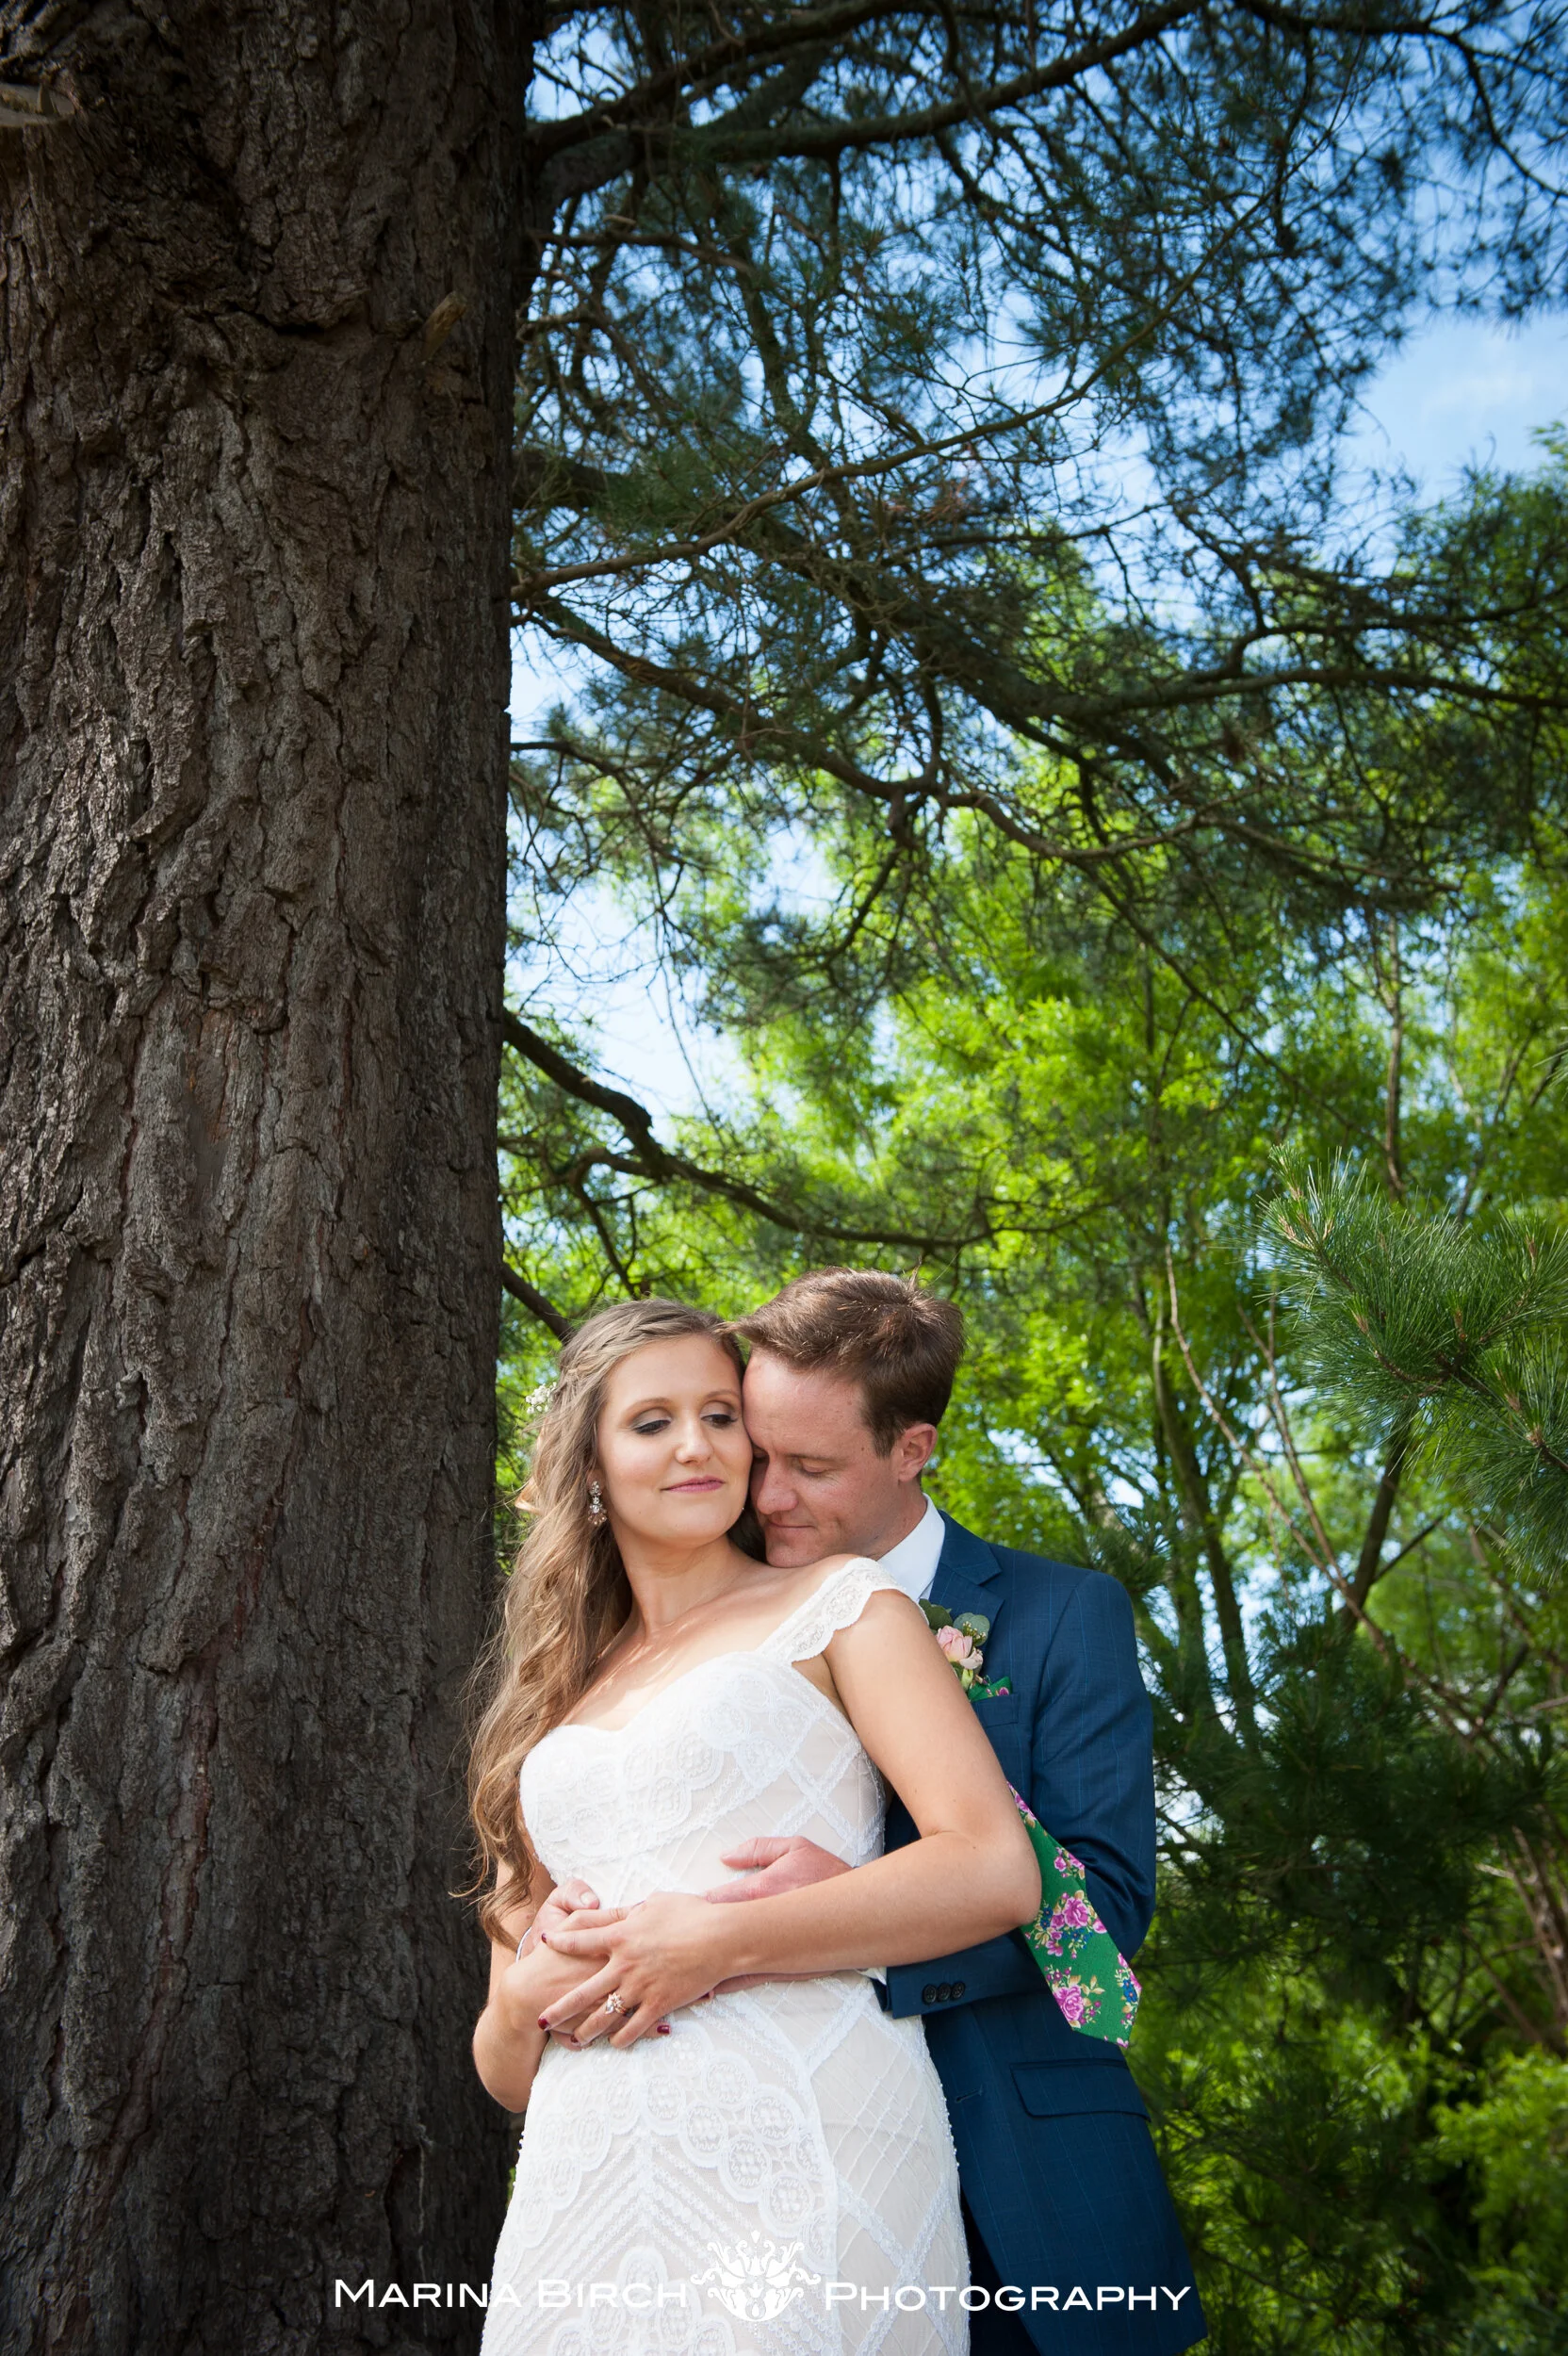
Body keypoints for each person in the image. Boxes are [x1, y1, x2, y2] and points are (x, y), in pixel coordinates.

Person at [536, 1271, 1206, 2356]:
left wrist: (847, 1921)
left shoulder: (1057, 1613)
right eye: (761, 1454)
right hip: (770, 2169)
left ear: (912, 1449)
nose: (768, 1498)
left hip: (1022, 2172)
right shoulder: (722, 1619)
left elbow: (1108, 1915)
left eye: (810, 1467)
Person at [465, 1296, 1043, 2354]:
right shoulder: (546, 1707)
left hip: (806, 2129)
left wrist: (713, 1940)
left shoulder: (844, 1605)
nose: (697, 1445)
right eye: (651, 1422)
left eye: (720, 1415)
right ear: (588, 1465)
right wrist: (526, 2005)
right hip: (581, 2180)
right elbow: (504, 2063)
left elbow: (995, 1867)